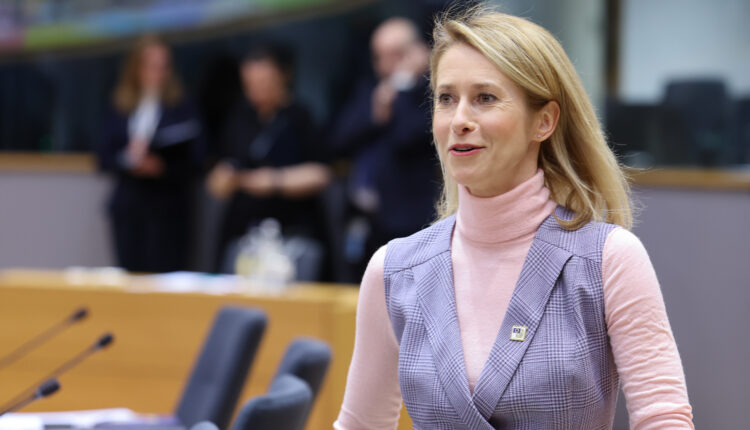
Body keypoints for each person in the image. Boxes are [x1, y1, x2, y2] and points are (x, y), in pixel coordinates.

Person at [335, 6, 694, 430]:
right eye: (446, 99)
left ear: (544, 121)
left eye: (485, 98)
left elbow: (664, 418)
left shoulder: (607, 259)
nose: (460, 120)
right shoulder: (393, 270)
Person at [207, 45, 331, 277]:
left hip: (293, 234)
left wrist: (273, 181)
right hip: (244, 235)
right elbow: (219, 175)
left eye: (264, 82)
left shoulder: (300, 117)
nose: (257, 91)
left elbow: (321, 174)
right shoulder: (239, 119)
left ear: (282, 77)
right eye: (250, 84)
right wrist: (223, 179)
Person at [331, 17, 441, 266]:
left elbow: (407, 137)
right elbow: (340, 139)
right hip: (365, 218)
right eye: (380, 57)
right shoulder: (370, 89)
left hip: (411, 218)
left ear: (418, 52)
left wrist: (402, 87)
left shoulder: (430, 91)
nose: (386, 64)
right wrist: (377, 112)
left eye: (396, 55)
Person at [97, 34, 203, 273]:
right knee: (130, 279)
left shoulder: (182, 106)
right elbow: (103, 156)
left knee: (165, 280)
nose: (158, 73)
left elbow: (197, 159)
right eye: (151, 66)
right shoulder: (120, 105)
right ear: (136, 68)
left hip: (167, 209)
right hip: (130, 207)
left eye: (164, 66)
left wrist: (162, 167)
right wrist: (128, 158)